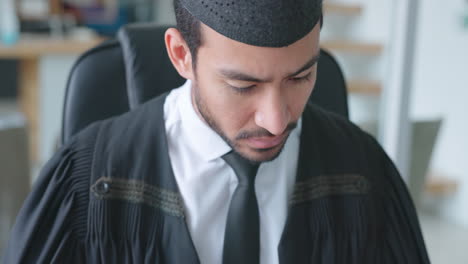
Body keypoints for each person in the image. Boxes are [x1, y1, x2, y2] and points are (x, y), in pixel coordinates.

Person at [2, 0, 430, 263]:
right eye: (244, 86)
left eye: (300, 77)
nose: (276, 120)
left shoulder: (363, 173)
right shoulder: (89, 179)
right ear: (181, 55)